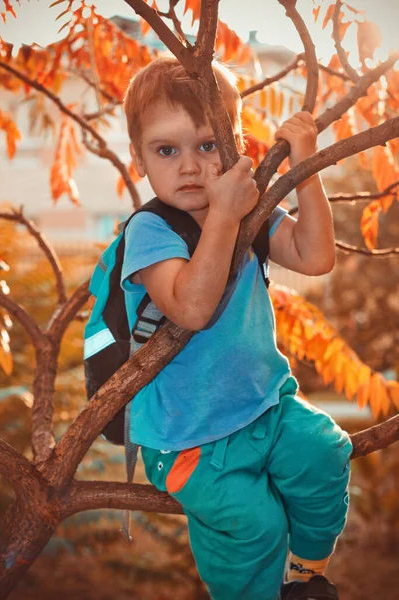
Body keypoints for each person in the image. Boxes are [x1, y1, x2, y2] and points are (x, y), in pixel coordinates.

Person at [121, 56, 352, 600]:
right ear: (138, 159)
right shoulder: (152, 229)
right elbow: (191, 308)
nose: (190, 167)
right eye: (166, 150)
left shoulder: (253, 215)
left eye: (207, 145)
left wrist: (306, 168)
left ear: (236, 143)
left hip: (265, 407)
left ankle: (306, 576)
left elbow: (316, 257)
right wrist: (224, 218)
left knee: (325, 451)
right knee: (254, 526)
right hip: (187, 441)